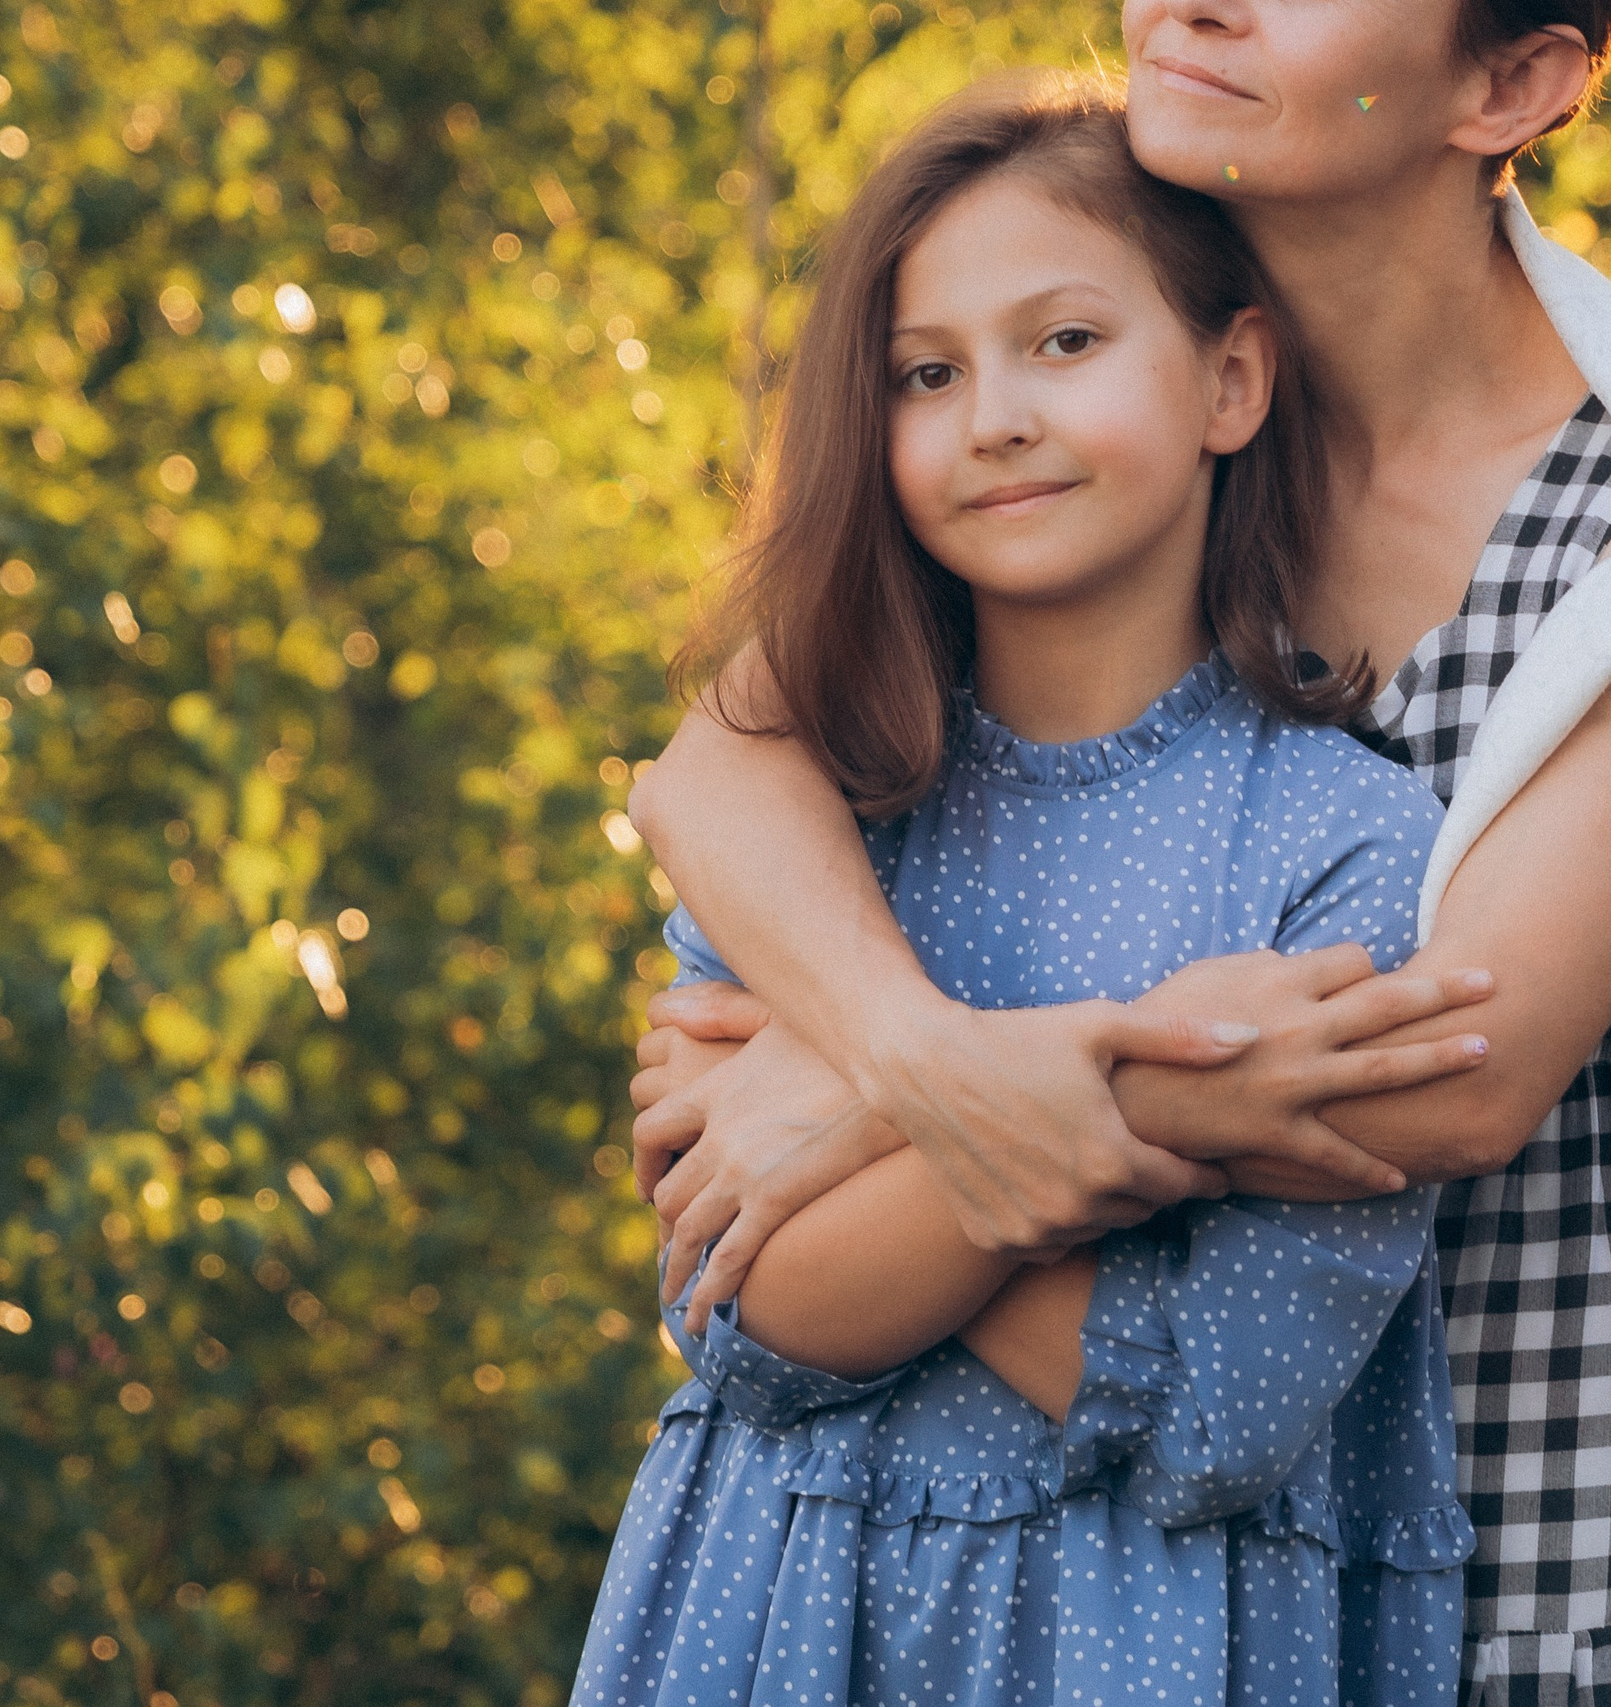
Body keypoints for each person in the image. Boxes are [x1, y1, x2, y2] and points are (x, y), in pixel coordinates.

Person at [625, 3, 1611, 1702]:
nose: (1188, 5)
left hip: (1544, 1517)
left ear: (1512, 84)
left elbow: (1447, 1074)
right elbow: (717, 767)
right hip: (1132, 1587)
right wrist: (911, 1047)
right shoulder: (1096, 409)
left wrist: (862, 1082)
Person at [574, 76, 1481, 1707]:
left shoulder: (1348, 845)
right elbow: (750, 1314)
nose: (993, 413)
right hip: (775, 1618)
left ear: (1230, 377)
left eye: (1064, 342)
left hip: (1141, 1641)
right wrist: (1166, 1098)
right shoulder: (824, 817)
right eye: (928, 373)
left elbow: (1224, 1410)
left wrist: (875, 1106)